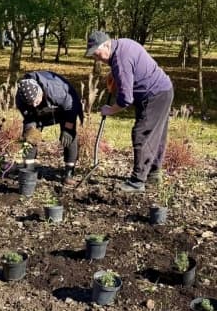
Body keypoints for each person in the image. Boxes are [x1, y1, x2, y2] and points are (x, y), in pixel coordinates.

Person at [84, 30, 174, 193]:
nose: (96, 58)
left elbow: (126, 99)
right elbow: (131, 68)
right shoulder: (122, 44)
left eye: (97, 54)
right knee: (156, 135)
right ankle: (153, 175)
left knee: (142, 134)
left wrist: (110, 110)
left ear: (106, 45)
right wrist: (114, 74)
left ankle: (137, 181)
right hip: (162, 90)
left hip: (154, 95)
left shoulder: (120, 60)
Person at [15, 71, 83, 185]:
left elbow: (71, 107)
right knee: (30, 135)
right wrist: (31, 129)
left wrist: (67, 128)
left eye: (36, 101)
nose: (34, 104)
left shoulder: (56, 90)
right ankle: (29, 169)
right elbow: (29, 117)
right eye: (31, 103)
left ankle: (69, 172)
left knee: (69, 135)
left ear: (40, 92)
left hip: (66, 109)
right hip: (38, 113)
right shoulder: (21, 99)